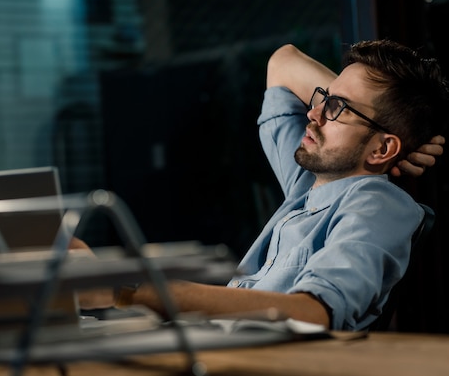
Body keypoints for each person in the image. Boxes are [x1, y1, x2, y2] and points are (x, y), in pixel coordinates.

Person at [74, 39, 448, 331]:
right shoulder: (309, 184)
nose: (313, 112)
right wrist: (373, 123)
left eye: (337, 108)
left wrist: (126, 290)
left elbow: (315, 313)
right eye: (325, 98)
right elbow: (283, 62)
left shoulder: (376, 204)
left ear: (383, 148)